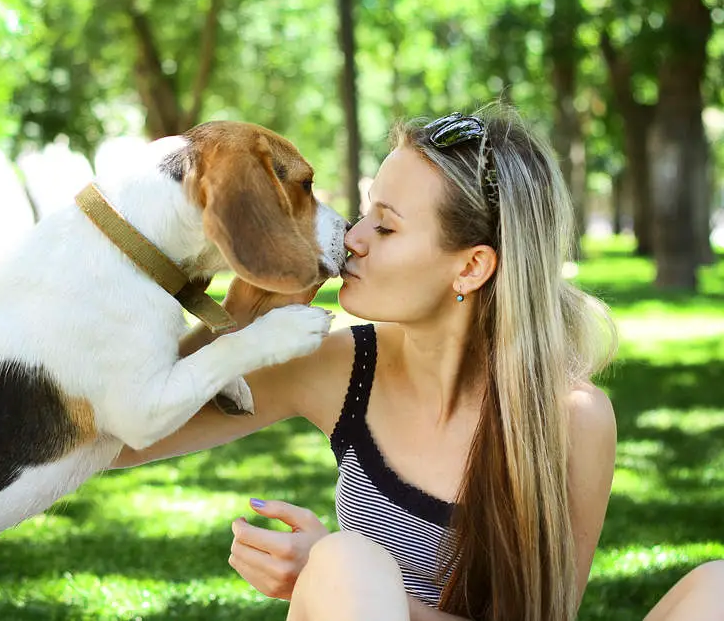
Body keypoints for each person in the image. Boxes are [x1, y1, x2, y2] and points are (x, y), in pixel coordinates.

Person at [113, 105, 724, 620]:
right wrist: (250, 318)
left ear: (470, 267)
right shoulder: (337, 368)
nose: (352, 238)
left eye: (386, 226)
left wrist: (323, 574)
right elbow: (122, 431)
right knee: (348, 562)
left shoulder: (570, 418)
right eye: (366, 211)